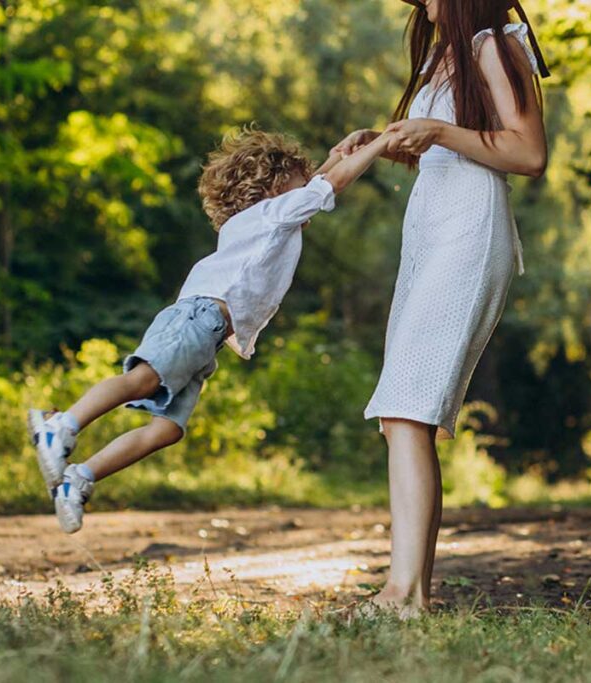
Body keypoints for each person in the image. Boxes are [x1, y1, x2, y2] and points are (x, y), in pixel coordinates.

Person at [28, 127, 395, 534]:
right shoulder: (271, 214)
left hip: (209, 335)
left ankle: (77, 479)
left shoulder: (266, 217)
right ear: (274, 186)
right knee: (142, 379)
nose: (308, 186)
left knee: (167, 430)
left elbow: (323, 180)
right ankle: (60, 425)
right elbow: (330, 185)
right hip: (198, 319)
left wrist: (339, 152)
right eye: (299, 179)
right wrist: (378, 147)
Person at [333, 0, 549, 617]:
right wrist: (386, 143)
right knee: (405, 414)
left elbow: (529, 154)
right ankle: (413, 596)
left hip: (470, 231)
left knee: (407, 406)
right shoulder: (441, 56)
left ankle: (400, 594)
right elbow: (449, 148)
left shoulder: (493, 45)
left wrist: (439, 132)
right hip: (431, 230)